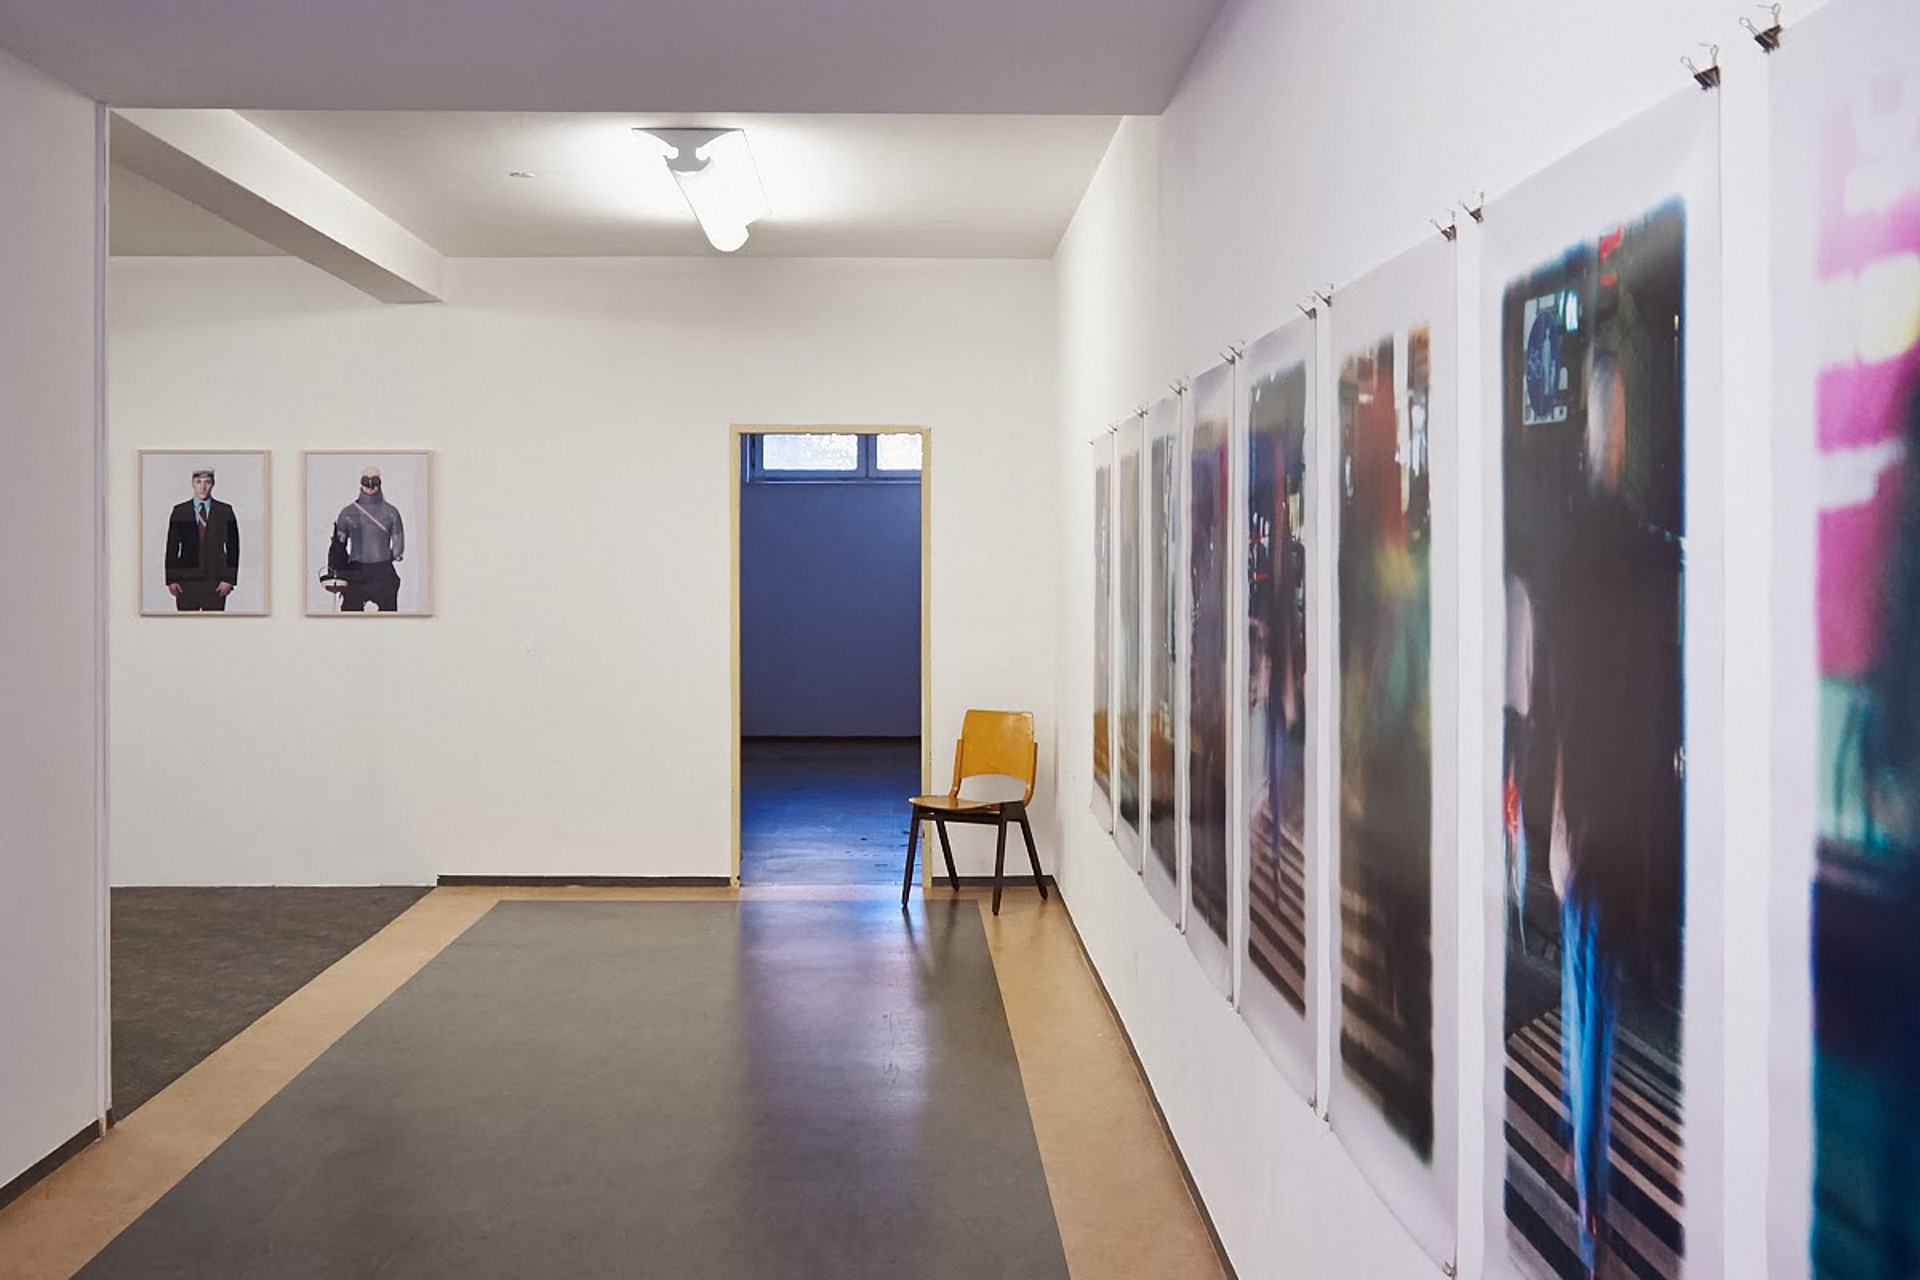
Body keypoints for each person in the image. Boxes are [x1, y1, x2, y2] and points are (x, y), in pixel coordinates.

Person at [324, 466, 405, 612]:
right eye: (367, 481)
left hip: (357, 572)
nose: (370, 485)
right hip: (381, 572)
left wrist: (335, 571)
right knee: (388, 619)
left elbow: (337, 548)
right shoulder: (391, 512)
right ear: (361, 483)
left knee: (352, 617)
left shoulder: (347, 513)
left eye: (374, 481)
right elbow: (398, 550)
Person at [164, 468, 239, 611]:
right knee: (186, 623)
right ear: (193, 483)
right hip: (186, 581)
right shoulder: (180, 511)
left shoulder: (225, 511)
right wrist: (171, 579)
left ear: (213, 484)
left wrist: (229, 579)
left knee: (213, 623)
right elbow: (172, 547)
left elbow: (233, 548)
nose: (203, 487)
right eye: (198, 482)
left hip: (216, 581)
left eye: (207, 482)